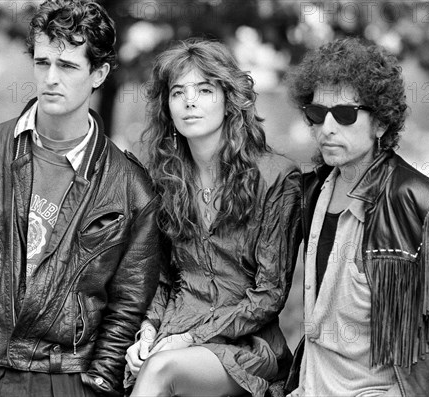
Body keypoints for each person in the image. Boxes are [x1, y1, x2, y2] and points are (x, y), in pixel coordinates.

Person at [0, 1, 163, 396]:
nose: (51, 78)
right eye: (42, 63)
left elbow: (128, 303)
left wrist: (99, 379)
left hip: (66, 377)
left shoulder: (131, 187)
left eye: (68, 66)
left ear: (99, 73)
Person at [284, 37, 429, 396]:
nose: (328, 128)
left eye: (346, 114)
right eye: (317, 115)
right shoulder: (309, 193)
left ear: (380, 123)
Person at [123, 39, 302, 397]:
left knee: (161, 370)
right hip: (172, 333)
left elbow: (270, 295)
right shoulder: (162, 181)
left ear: (228, 99)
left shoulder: (276, 177)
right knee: (141, 363)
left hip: (245, 342)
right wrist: (147, 332)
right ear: (168, 107)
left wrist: (189, 339)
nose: (190, 101)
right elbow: (161, 279)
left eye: (204, 90)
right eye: (178, 92)